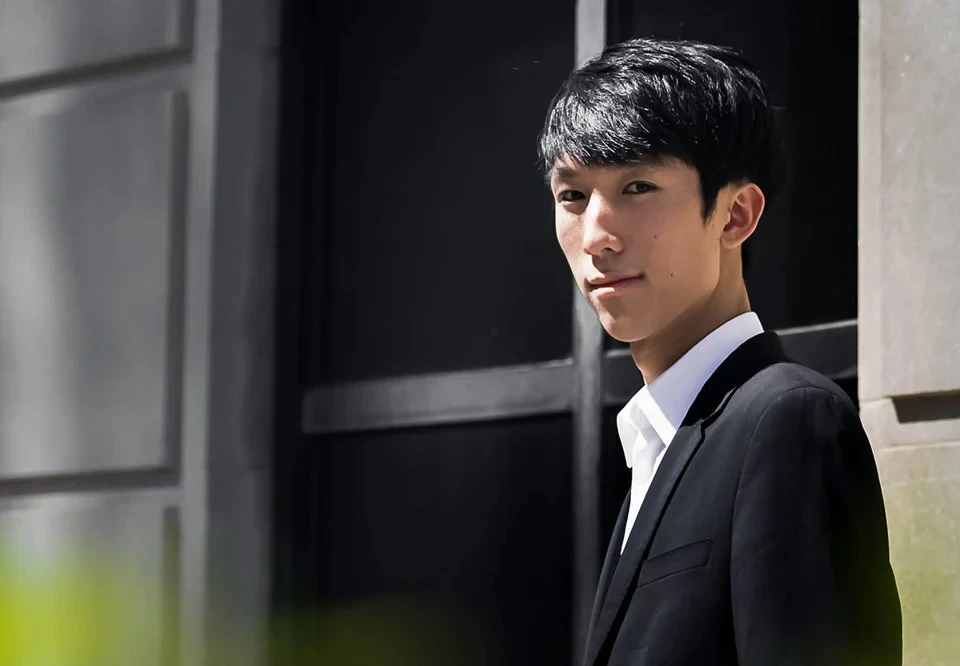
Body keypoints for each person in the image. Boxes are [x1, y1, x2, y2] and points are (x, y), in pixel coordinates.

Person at [539, 38, 901, 666]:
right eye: (573, 196)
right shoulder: (659, 441)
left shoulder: (788, 419)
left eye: (638, 186)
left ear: (735, 215)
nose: (596, 235)